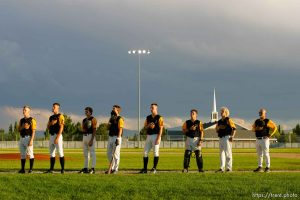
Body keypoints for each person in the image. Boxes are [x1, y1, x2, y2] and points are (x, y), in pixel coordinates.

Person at [139, 103, 164, 174]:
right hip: (149, 136)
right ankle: (145, 169)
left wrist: (159, 138)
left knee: (155, 152)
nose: (151, 109)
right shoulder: (148, 117)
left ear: (156, 108)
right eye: (150, 108)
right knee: (145, 152)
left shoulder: (159, 117)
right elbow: (145, 127)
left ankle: (154, 168)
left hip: (156, 135)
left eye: (152, 108)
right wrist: (149, 125)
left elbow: (161, 128)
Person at [252, 108, 277, 173]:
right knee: (259, 154)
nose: (260, 113)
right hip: (258, 139)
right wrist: (256, 128)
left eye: (261, 112)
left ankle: (267, 167)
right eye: (259, 112)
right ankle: (260, 167)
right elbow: (252, 129)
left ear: (265, 113)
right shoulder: (257, 121)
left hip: (264, 139)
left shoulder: (267, 121)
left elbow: (275, 127)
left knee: (266, 154)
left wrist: (270, 135)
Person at [45, 103, 65, 174]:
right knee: (51, 153)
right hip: (51, 135)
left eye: (54, 107)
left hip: (57, 136)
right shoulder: (51, 117)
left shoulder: (60, 116)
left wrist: (57, 137)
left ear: (58, 108)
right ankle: (51, 169)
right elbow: (47, 127)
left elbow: (62, 127)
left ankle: (62, 169)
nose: (53, 108)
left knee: (60, 152)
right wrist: (51, 123)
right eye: (53, 107)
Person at [215, 107, 236, 173]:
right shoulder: (219, 121)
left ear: (226, 112)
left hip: (227, 137)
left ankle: (229, 168)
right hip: (221, 137)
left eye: (223, 111)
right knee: (221, 153)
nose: (221, 112)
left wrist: (232, 136)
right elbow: (216, 130)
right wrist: (218, 128)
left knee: (228, 153)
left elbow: (234, 129)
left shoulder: (228, 120)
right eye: (221, 111)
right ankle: (222, 168)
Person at [18, 105, 36, 173]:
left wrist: (31, 140)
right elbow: (19, 130)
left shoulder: (32, 120)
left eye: (25, 110)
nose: (23, 111)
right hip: (22, 138)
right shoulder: (21, 120)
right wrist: (23, 127)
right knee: (22, 154)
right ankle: (22, 169)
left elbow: (34, 131)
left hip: (28, 138)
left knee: (30, 154)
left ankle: (31, 169)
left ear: (29, 111)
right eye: (23, 110)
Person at [79, 107, 97, 174]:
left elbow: (94, 130)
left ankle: (92, 168)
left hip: (90, 136)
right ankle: (86, 168)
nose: (86, 112)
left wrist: (92, 139)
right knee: (85, 154)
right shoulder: (84, 120)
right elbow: (83, 129)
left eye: (87, 111)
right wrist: (84, 128)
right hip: (85, 136)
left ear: (90, 112)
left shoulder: (93, 119)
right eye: (85, 111)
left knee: (92, 153)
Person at [106, 105, 124, 174]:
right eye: (112, 108)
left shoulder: (120, 118)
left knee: (116, 154)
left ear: (118, 110)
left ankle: (115, 169)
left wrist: (118, 138)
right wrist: (109, 121)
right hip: (110, 137)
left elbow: (120, 129)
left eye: (114, 109)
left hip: (116, 137)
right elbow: (107, 128)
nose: (112, 110)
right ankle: (111, 167)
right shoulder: (111, 118)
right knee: (108, 153)